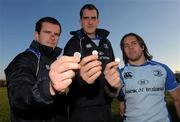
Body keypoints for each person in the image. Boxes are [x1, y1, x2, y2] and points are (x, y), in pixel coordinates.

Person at [4, 17, 81, 122]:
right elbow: (18, 97)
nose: (53, 37)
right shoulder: (23, 59)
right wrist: (49, 88)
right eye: (47, 32)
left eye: (56, 34)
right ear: (36, 35)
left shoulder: (56, 62)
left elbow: (61, 104)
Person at [63, 3, 122, 122]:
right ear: (80, 21)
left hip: (105, 107)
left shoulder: (107, 42)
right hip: (81, 108)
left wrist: (120, 97)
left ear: (98, 21)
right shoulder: (73, 43)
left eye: (93, 18)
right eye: (86, 18)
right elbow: (68, 75)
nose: (90, 22)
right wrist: (82, 79)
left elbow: (113, 71)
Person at [118, 32, 180, 122]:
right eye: (126, 45)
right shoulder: (119, 73)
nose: (130, 47)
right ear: (124, 51)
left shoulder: (162, 69)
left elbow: (178, 99)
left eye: (134, 43)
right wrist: (121, 100)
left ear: (142, 47)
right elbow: (113, 93)